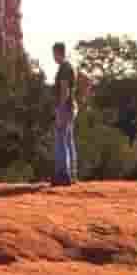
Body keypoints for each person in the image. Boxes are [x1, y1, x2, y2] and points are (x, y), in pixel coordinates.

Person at [51, 42, 79, 186]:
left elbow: (65, 90)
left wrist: (60, 109)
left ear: (58, 52)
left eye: (53, 54)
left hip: (65, 107)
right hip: (71, 107)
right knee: (68, 141)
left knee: (61, 141)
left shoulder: (64, 68)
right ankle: (72, 174)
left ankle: (63, 175)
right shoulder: (70, 67)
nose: (53, 57)